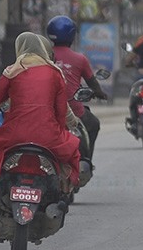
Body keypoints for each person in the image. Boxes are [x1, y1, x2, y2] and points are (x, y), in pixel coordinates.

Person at [0, 32, 81, 211]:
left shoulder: (13, 70)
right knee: (71, 148)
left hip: (15, 135)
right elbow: (61, 112)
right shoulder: (55, 73)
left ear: (19, 48)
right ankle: (63, 192)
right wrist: (60, 132)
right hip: (48, 137)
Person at [46, 15, 108, 169]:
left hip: (47, 110)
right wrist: (100, 94)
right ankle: (86, 162)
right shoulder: (79, 59)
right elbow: (92, 82)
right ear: (72, 35)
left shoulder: (44, 56)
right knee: (93, 124)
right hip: (74, 111)